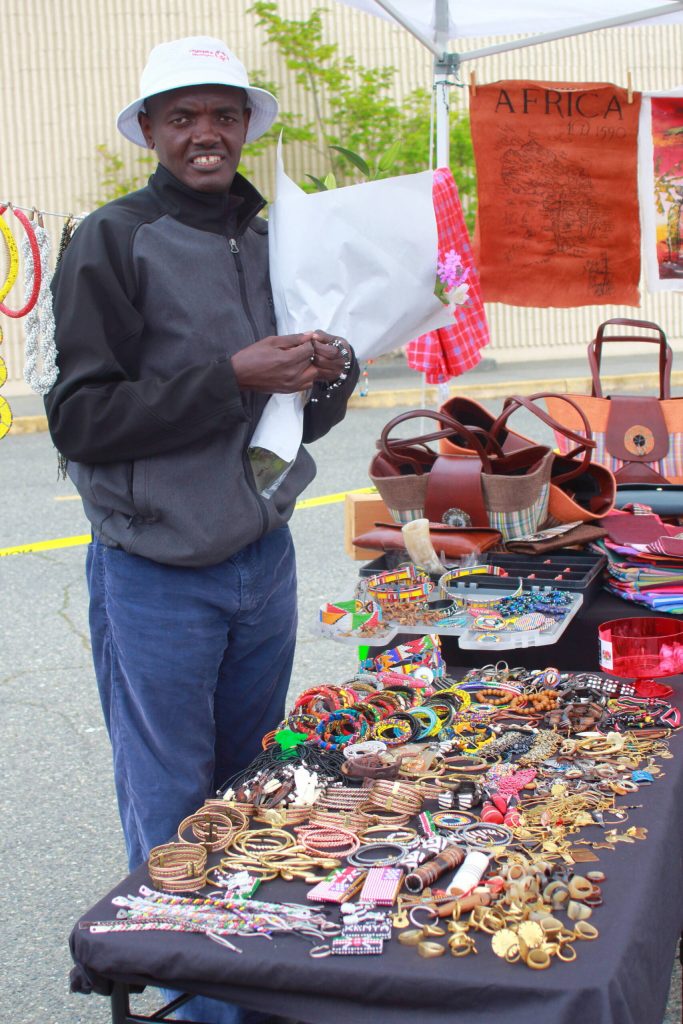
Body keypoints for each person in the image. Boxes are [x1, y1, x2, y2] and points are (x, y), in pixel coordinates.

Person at [45, 36, 358, 1022]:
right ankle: (198, 997)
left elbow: (293, 419)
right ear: (149, 130)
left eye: (223, 114)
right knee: (173, 801)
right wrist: (232, 377)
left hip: (260, 556)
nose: (205, 133)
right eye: (182, 117)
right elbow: (81, 419)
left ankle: (246, 981)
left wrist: (328, 376)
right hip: (156, 567)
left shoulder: (272, 242)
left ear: (246, 127)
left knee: (253, 784)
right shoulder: (113, 240)